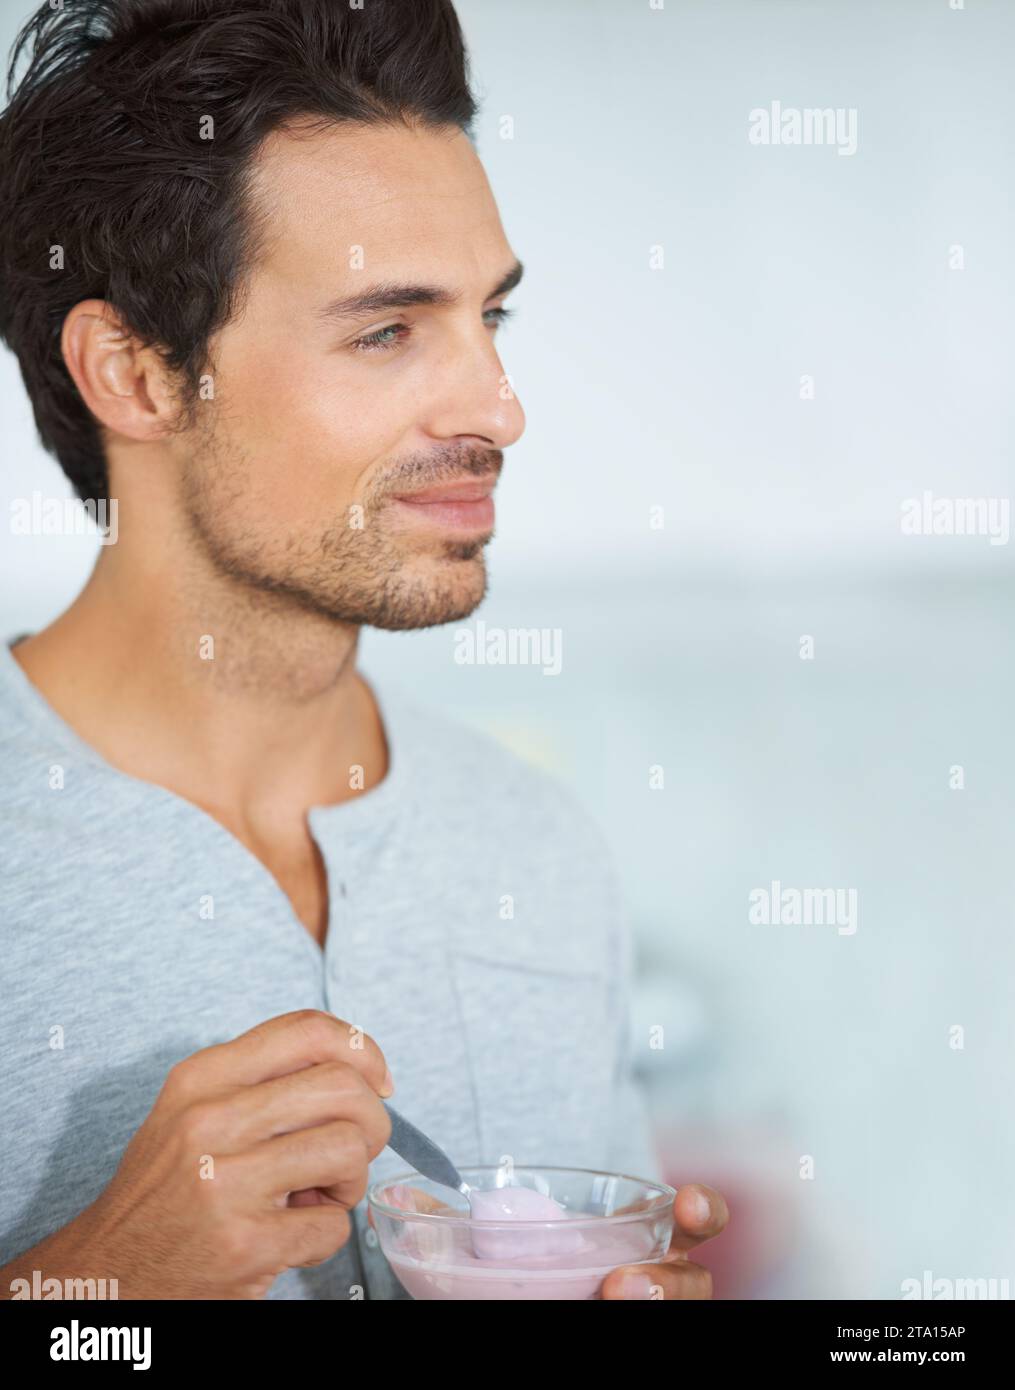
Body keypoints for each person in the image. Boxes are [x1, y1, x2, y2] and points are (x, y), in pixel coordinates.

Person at [0, 0, 727, 1299]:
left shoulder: (540, 853)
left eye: (488, 319)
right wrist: (85, 1284)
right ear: (138, 374)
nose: (499, 409)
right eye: (387, 331)